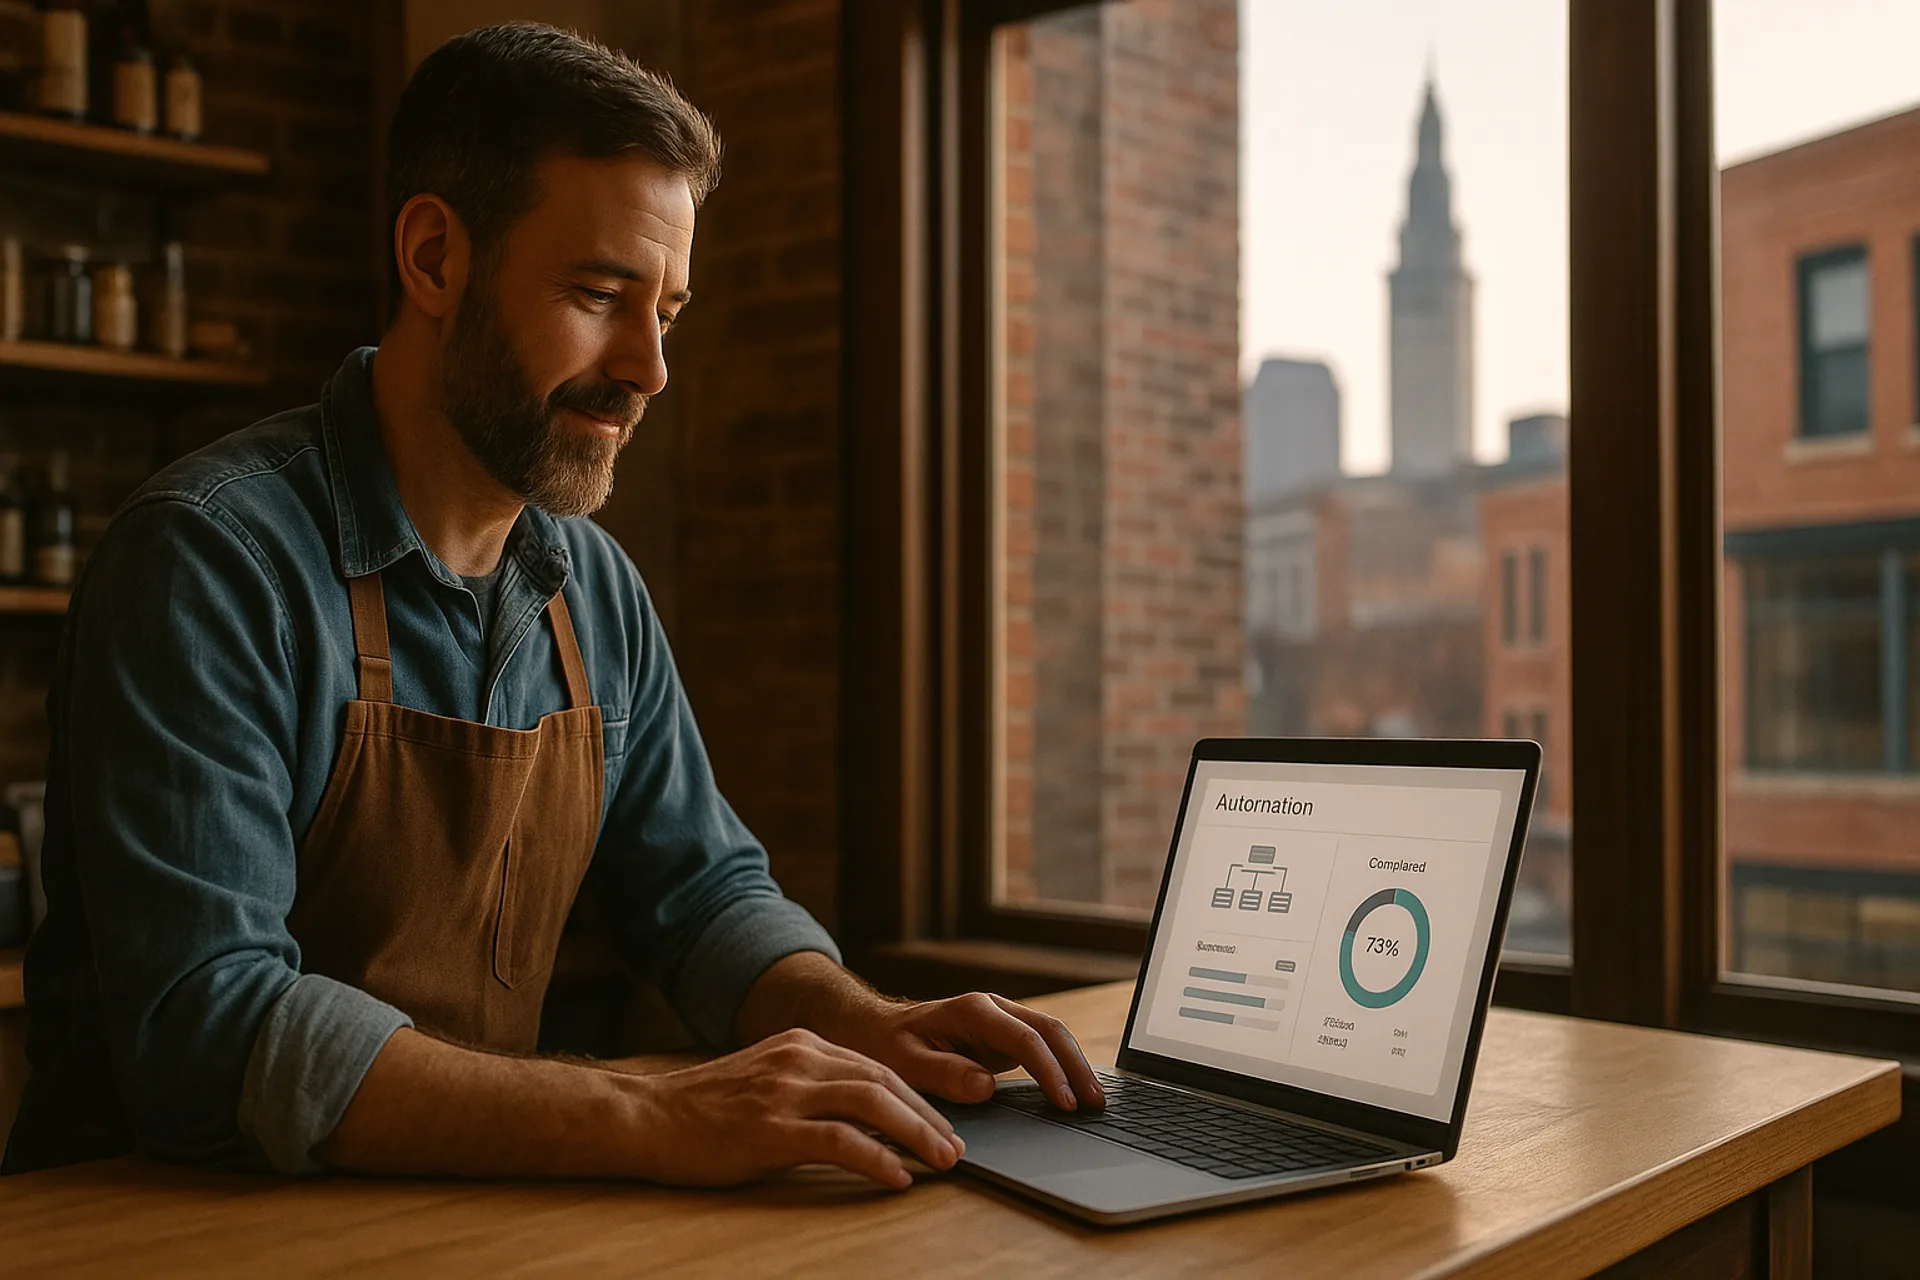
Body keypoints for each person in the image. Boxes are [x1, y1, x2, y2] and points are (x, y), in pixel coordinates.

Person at [1, 22, 1101, 1185]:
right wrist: (654, 1113)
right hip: (156, 1234)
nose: (649, 368)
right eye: (598, 293)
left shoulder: (594, 587)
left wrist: (859, 1018)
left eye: (666, 311)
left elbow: (703, 893)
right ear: (434, 259)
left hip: (460, 1220)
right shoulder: (210, 562)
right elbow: (209, 1031)